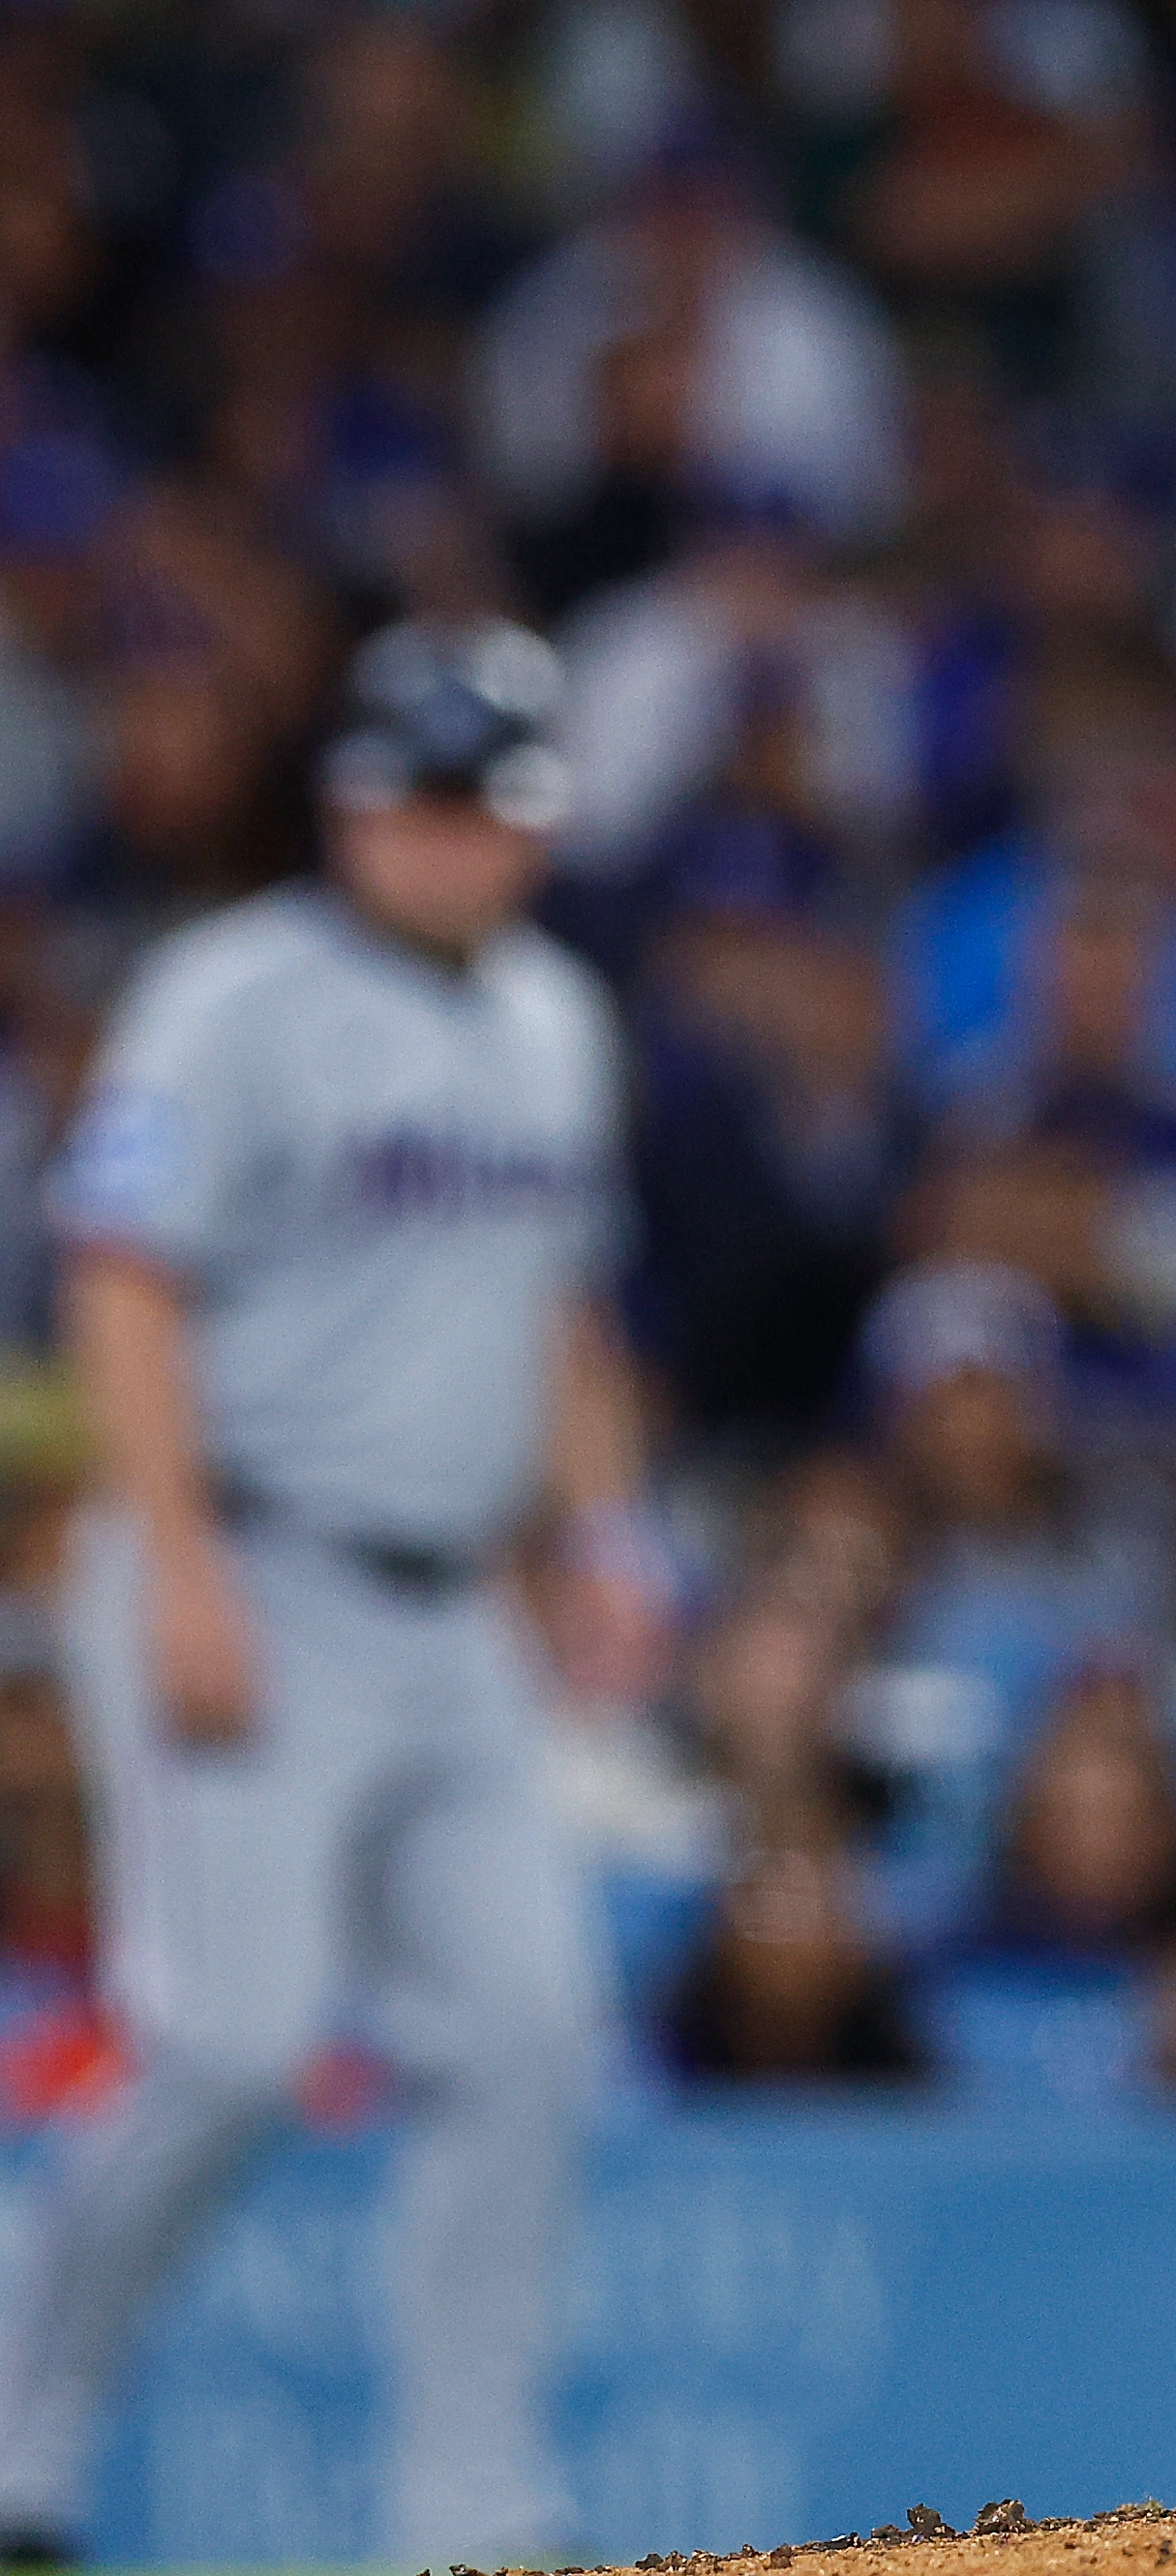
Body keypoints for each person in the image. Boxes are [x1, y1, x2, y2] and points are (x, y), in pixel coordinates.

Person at [0, 623, 672, 2562]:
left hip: (455, 1603)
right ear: (355, 800)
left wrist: (606, 1536)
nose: (459, 835)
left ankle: (470, 2517)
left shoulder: (558, 1016)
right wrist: (180, 1559)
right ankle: (22, 2439)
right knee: (225, 2040)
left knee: (532, 2029)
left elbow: (564, 1312)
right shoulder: (236, 994)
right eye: (428, 795)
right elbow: (124, 1278)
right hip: (252, 1559)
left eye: (491, 801)